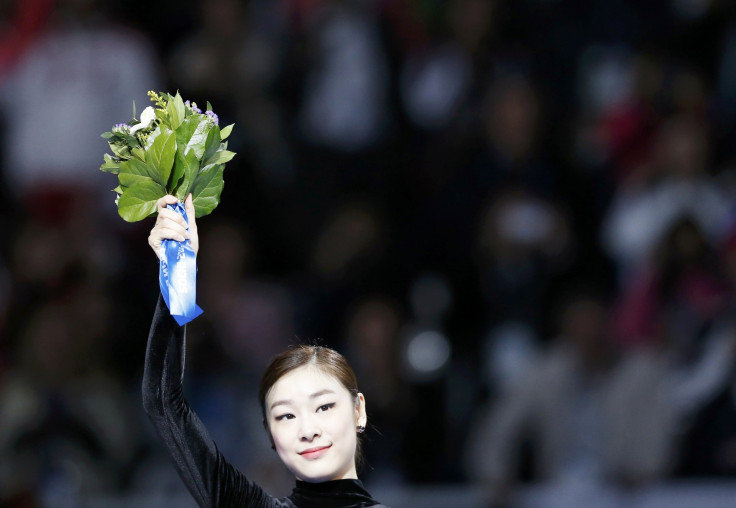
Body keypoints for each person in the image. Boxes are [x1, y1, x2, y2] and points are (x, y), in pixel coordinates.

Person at [143, 194, 388, 507]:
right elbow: (162, 403)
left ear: (358, 411)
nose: (309, 431)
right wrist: (176, 271)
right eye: (286, 417)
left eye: (325, 408)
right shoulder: (247, 500)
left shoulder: (268, 306)